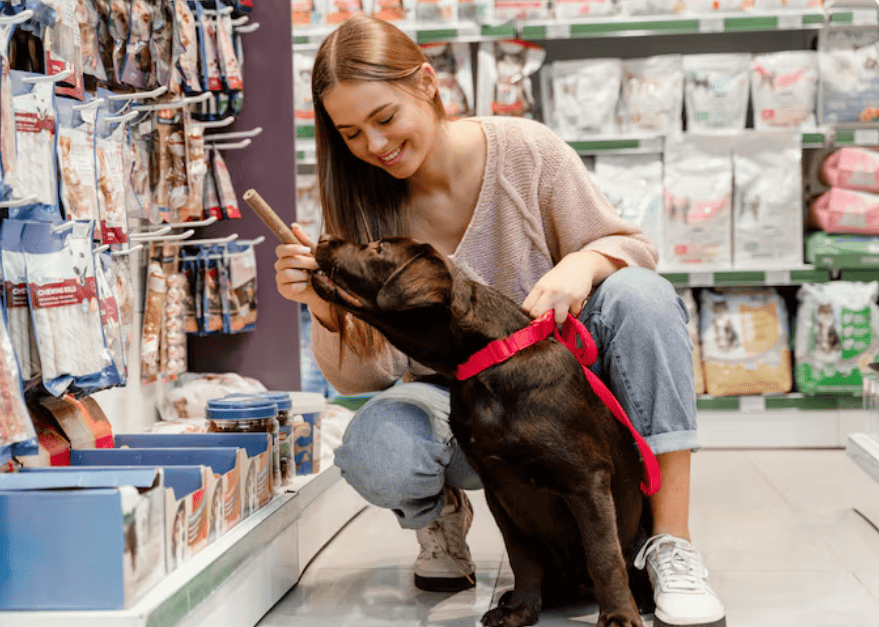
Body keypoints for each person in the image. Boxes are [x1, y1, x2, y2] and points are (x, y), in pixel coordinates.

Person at [273, 14, 725, 627]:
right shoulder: (361, 207)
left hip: (566, 399)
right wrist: (325, 306)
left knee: (641, 295)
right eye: (351, 133)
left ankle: (670, 541)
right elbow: (363, 379)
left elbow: (636, 249)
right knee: (378, 447)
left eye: (384, 118)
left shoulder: (525, 151)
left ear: (427, 84)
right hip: (463, 409)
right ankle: (441, 519)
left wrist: (583, 264)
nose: (375, 146)